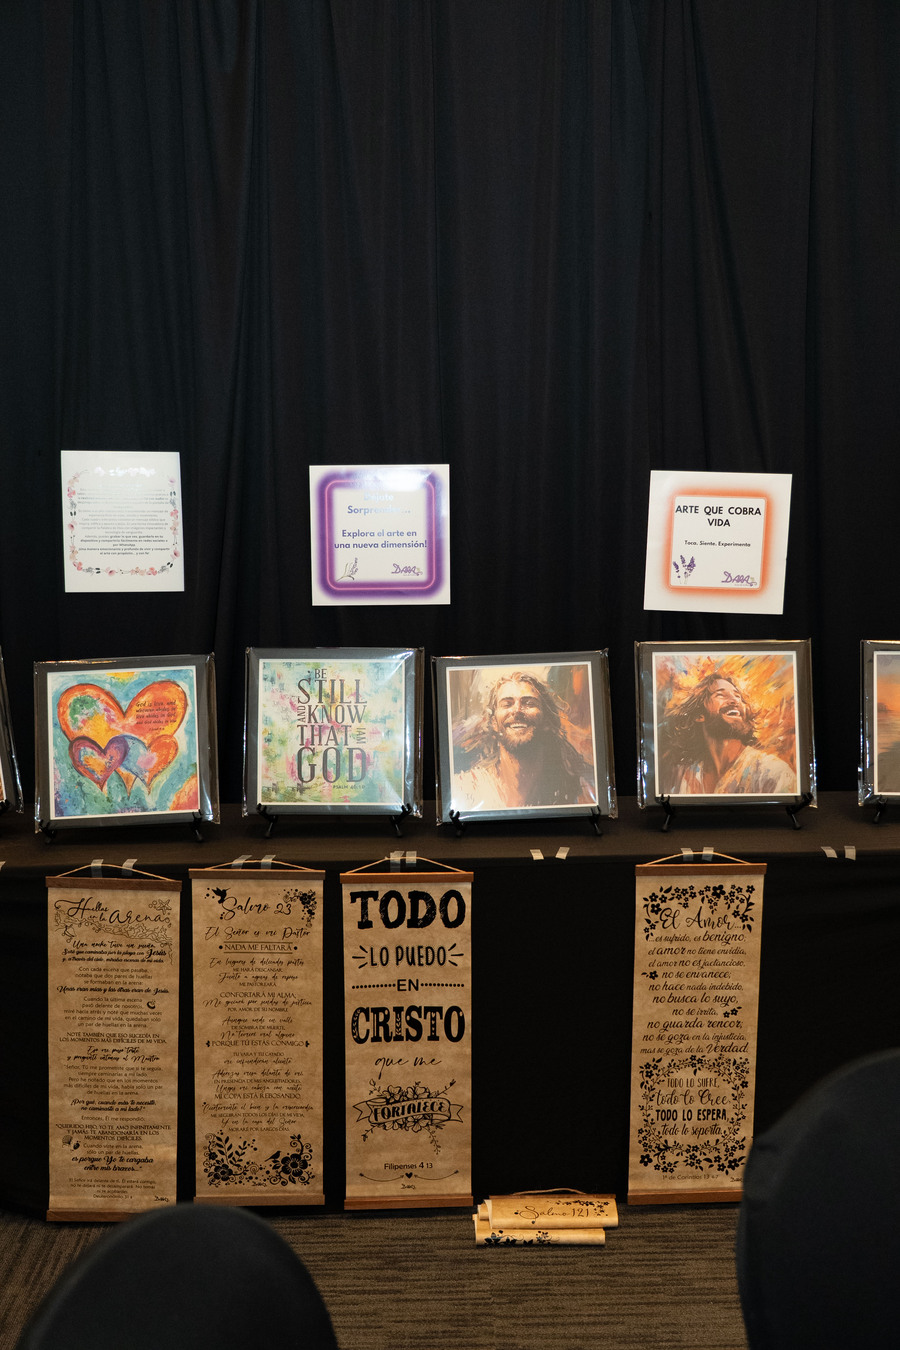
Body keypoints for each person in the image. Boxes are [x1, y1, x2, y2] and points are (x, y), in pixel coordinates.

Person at [452, 671, 595, 810]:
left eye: (529, 703)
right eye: (507, 704)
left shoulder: (580, 790)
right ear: (494, 722)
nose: (517, 710)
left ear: (546, 720)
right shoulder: (465, 790)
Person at [658, 671, 796, 796]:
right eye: (720, 695)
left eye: (738, 696)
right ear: (699, 715)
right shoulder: (684, 777)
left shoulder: (773, 773)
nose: (735, 701)